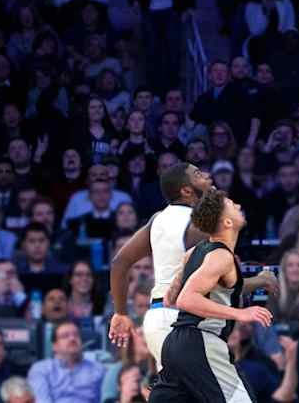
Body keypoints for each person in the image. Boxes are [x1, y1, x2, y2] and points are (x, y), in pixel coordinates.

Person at [148, 189, 274, 403]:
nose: (239, 207)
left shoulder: (195, 252)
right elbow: (185, 299)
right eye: (233, 205)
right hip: (201, 342)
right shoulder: (221, 257)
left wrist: (260, 281)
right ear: (227, 222)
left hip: (175, 344)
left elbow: (171, 296)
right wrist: (239, 313)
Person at [108, 163, 212, 370]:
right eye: (198, 174)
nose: (207, 175)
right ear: (186, 190)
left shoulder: (158, 219)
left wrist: (120, 312)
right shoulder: (199, 224)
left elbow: (119, 263)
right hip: (184, 319)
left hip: (157, 317)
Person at [27, 321, 105, 403]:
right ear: (54, 346)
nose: (72, 339)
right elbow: (42, 400)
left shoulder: (98, 370)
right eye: (65, 336)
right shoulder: (41, 370)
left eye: (76, 335)